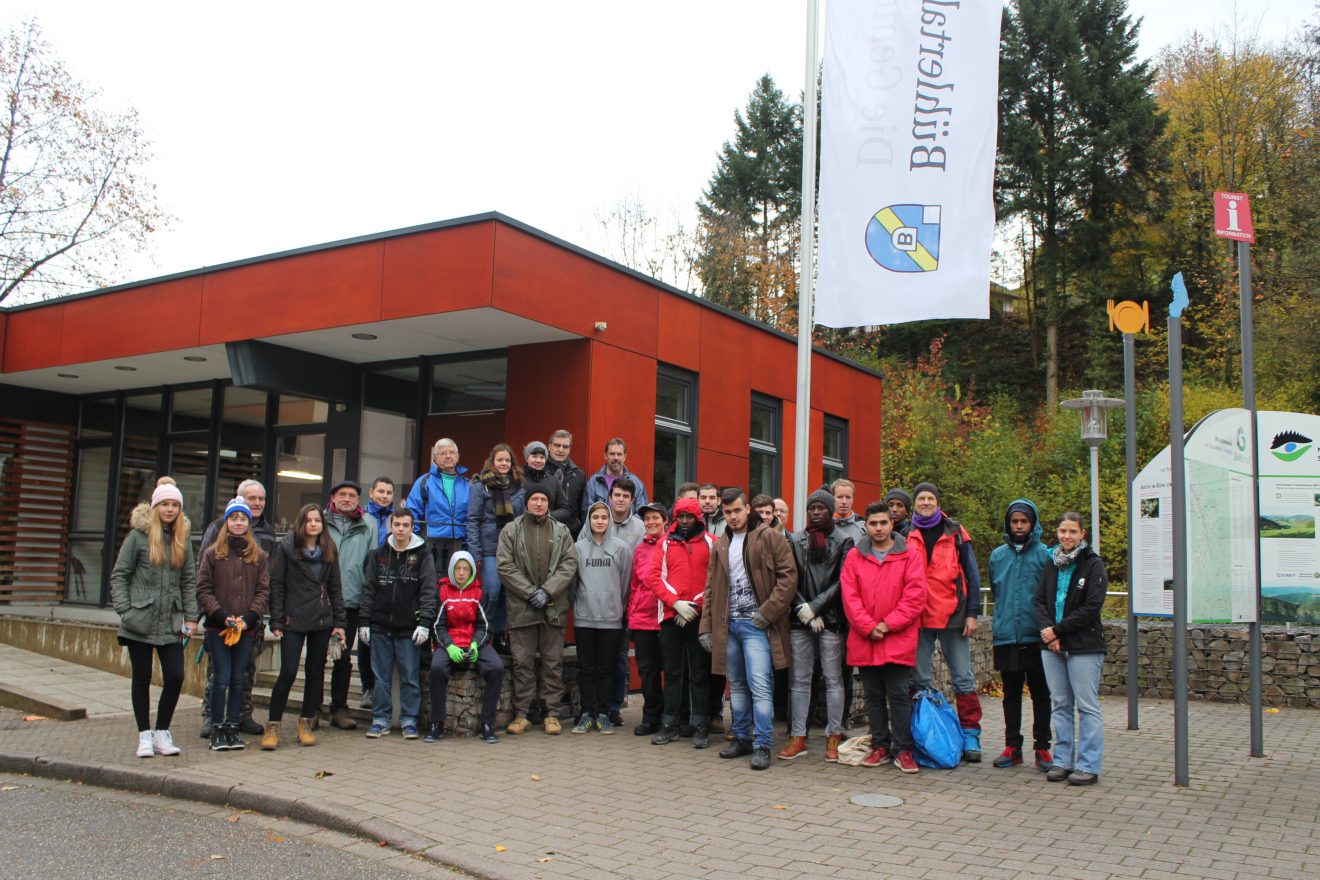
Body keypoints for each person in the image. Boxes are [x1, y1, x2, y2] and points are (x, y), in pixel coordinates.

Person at [700, 488, 798, 771]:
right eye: (728, 512)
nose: (733, 516)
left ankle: (763, 743)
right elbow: (710, 589)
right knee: (738, 686)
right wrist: (706, 626)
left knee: (760, 686)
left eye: (737, 511)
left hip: (757, 626)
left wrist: (767, 613)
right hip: (728, 625)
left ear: (748, 510)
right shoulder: (721, 544)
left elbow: (789, 578)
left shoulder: (768, 537)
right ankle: (742, 737)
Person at [110, 477, 198, 758]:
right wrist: (126, 610)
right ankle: (144, 735)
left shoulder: (183, 540)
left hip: (171, 621)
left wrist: (192, 617)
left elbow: (188, 581)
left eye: (175, 505)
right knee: (142, 676)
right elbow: (119, 575)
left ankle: (162, 732)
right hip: (140, 620)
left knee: (175, 675)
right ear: (155, 506)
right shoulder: (138, 537)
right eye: (165, 504)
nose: (170, 509)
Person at [839, 502, 928, 773]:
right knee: (873, 696)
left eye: (883, 523)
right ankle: (880, 746)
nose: (878, 528)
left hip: (897, 637)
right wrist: (869, 626)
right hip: (865, 638)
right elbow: (849, 596)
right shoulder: (855, 556)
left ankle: (903, 749)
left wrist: (887, 625)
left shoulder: (909, 555)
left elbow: (915, 597)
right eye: (873, 523)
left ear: (892, 524)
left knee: (899, 694)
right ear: (866, 525)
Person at [907, 482, 985, 762]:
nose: (925, 503)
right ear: (914, 504)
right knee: (920, 679)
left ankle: (970, 734)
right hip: (918, 617)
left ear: (938, 503)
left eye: (930, 498)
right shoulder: (906, 533)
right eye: (921, 499)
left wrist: (973, 613)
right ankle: (927, 735)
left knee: (963, 677)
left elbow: (972, 575)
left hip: (954, 615)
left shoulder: (956, 533)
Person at [197, 478, 276, 739]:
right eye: (251, 498)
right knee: (218, 673)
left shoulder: (267, 532)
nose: (257, 503)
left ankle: (241, 715)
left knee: (246, 671)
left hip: (250, 618)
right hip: (219, 618)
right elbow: (203, 578)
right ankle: (212, 716)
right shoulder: (216, 531)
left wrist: (254, 615)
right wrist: (213, 613)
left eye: (261, 499)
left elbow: (266, 582)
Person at [781, 489, 856, 763]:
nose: (815, 512)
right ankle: (798, 735)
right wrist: (805, 609)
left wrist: (817, 608)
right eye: (811, 507)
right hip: (800, 619)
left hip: (832, 619)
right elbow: (789, 577)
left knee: (834, 679)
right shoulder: (795, 540)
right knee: (800, 679)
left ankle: (833, 735)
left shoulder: (844, 540)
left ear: (830, 510)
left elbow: (842, 580)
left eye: (821, 508)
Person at [263, 503, 346, 750]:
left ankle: (305, 724)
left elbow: (335, 589)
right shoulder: (287, 548)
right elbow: (276, 585)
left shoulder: (329, 549)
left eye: (317, 520)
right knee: (288, 672)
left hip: (321, 619)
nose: (313, 524)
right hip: (293, 618)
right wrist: (277, 619)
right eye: (309, 520)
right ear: (301, 523)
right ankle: (273, 726)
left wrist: (340, 622)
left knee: (315, 674)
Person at [497, 486, 579, 735]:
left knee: (552, 663)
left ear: (549, 503)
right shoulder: (511, 530)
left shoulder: (562, 531)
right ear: (527, 502)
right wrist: (530, 592)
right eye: (535, 499)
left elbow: (569, 563)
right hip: (522, 607)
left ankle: (551, 714)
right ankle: (522, 714)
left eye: (544, 499)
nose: (540, 503)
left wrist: (547, 591)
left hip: (553, 607)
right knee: (522, 663)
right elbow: (504, 565)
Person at [1035, 512, 1108, 786]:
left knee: (1087, 707)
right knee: (1061, 705)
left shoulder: (1093, 565)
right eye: (1063, 530)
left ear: (1082, 534)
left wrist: (1058, 630)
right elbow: (1040, 600)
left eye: (1072, 531)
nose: (1067, 536)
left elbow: (1091, 608)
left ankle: (1088, 765)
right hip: (1052, 645)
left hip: (1084, 646)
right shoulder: (1051, 563)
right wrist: (1048, 633)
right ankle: (1062, 761)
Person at [359, 508, 437, 740]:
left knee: (410, 677)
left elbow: (428, 591)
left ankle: (409, 720)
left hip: (408, 629)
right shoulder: (377, 555)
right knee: (380, 677)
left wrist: (424, 623)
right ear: (390, 526)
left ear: (412, 527)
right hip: (380, 625)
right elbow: (369, 590)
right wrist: (364, 620)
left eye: (406, 525)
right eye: (397, 525)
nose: (401, 529)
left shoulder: (423, 556)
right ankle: (380, 719)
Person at [988, 499, 1054, 771]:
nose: (1018, 526)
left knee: (1041, 694)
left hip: (1037, 635)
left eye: (1023, 521)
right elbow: (996, 590)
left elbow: (1050, 594)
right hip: (1006, 634)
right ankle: (1012, 746)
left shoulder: (1046, 555)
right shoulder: (997, 556)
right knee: (1011, 694)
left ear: (1032, 524)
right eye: (1014, 521)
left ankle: (1043, 747)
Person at [648, 497, 714, 747]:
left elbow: (714, 578)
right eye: (681, 517)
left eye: (689, 517)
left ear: (697, 518)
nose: (685, 522)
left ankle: (700, 725)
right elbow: (656, 577)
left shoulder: (711, 542)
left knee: (699, 674)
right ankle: (669, 724)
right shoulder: (665, 543)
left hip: (699, 617)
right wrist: (676, 603)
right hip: (670, 616)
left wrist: (694, 605)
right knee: (672, 673)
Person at [428, 550, 503, 744]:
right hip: (450, 642)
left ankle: (488, 724)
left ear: (471, 571)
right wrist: (449, 646)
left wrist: (476, 644)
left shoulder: (480, 592)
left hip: (474, 641)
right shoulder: (442, 591)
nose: (461, 573)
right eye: (458, 568)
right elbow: (438, 625)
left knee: (496, 668)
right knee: (436, 669)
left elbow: (485, 625)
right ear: (452, 569)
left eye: (465, 568)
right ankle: (436, 723)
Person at [571, 501, 632, 733]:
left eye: (604, 517)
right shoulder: (577, 548)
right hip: (584, 617)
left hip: (611, 618)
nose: (599, 521)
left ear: (609, 521)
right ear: (589, 519)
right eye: (595, 517)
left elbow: (625, 584)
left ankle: (604, 713)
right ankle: (587, 713)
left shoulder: (622, 548)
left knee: (606, 668)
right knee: (586, 668)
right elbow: (573, 582)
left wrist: (615, 604)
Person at [325, 479, 377, 730]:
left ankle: (339, 709)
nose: (347, 499)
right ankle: (311, 709)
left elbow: (372, 564)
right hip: (320, 601)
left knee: (344, 659)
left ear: (359, 499)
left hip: (352, 600)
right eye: (342, 494)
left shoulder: (368, 524)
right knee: (315, 658)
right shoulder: (320, 522)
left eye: (352, 495)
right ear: (333, 497)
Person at [468, 444, 526, 638]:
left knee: (505, 594)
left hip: (511, 547)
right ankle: (485, 633)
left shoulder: (519, 486)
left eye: (507, 460)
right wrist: (475, 552)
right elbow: (473, 520)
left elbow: (521, 515)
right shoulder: (480, 486)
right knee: (491, 591)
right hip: (488, 548)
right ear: (492, 462)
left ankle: (500, 634)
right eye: (499, 460)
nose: (503, 463)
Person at [627, 502, 668, 736]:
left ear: (665, 521)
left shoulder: (673, 545)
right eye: (647, 519)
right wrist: (632, 614)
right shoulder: (640, 549)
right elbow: (634, 586)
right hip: (643, 620)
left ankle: (670, 716)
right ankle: (651, 716)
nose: (651, 522)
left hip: (666, 618)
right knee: (647, 672)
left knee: (671, 671)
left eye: (655, 518)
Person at [406, 438, 471, 576]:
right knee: (431, 587)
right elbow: (411, 516)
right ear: (435, 458)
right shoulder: (423, 482)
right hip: (431, 545)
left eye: (451, 452)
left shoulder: (468, 484)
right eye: (443, 453)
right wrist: (416, 545)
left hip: (461, 546)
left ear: (457, 456)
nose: (448, 456)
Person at [582, 437, 649, 519]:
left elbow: (641, 514)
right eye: (612, 454)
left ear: (625, 457)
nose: (616, 458)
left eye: (619, 454)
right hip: (601, 531)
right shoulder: (593, 482)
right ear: (605, 456)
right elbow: (587, 513)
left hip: (629, 531)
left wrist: (624, 527)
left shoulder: (636, 483)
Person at [546, 430, 587, 536]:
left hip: (570, 534)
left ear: (569, 449)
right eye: (557, 445)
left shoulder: (579, 476)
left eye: (565, 447)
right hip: (543, 531)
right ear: (549, 446)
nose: (561, 450)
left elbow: (581, 509)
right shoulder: (539, 471)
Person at [522, 441, 572, 529]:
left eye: (542, 457)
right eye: (534, 456)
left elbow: (565, 510)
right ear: (527, 458)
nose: (538, 460)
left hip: (547, 530)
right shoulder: (518, 480)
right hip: (522, 529)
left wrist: (546, 517)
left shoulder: (553, 481)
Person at [830, 479, 867, 546]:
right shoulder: (823, 525)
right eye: (840, 497)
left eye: (848, 497)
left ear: (853, 499)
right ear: (832, 498)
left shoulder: (864, 527)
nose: (844, 501)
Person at [366, 476, 396, 546]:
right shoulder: (361, 516)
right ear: (371, 492)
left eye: (389, 493)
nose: (385, 496)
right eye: (381, 491)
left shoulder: (396, 518)